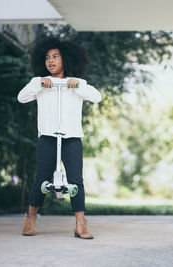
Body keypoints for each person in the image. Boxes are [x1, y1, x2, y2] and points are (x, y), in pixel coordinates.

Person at [18, 37, 102, 239]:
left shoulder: (77, 83)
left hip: (71, 138)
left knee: (76, 181)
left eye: (56, 56)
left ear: (66, 59)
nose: (51, 61)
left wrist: (77, 86)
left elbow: (97, 96)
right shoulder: (38, 82)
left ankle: (80, 224)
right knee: (41, 179)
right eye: (47, 58)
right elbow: (22, 97)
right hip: (47, 137)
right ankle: (30, 217)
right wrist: (40, 84)